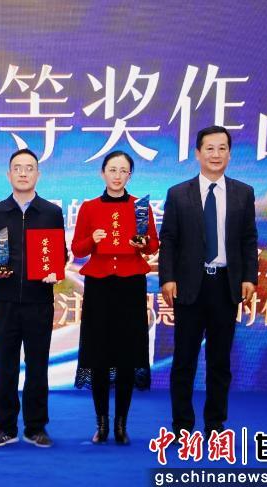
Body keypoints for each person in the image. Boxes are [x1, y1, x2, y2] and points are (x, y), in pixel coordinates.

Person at [159, 125, 258, 439]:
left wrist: (249, 277)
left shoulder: (243, 193)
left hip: (225, 286)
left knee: (219, 361)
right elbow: (169, 240)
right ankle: (182, 426)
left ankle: (215, 424)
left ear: (230, 154)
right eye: (210, 148)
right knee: (184, 360)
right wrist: (167, 278)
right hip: (189, 286)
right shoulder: (178, 193)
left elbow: (248, 239)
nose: (216, 155)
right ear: (198, 153)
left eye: (222, 148)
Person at [0, 148, 66, 448]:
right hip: (6, 302)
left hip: (40, 302)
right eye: (17, 168)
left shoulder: (51, 212)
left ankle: (36, 427)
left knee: (38, 366)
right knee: (6, 366)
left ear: (38, 174)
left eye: (29, 168)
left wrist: (55, 270)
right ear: (8, 174)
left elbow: (60, 252)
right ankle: (5, 427)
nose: (23, 173)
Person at [71, 150, 159, 445]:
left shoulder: (140, 206)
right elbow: (77, 249)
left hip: (131, 285)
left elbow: (152, 246)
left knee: (126, 356)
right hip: (99, 286)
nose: (117, 175)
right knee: (98, 355)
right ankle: (102, 423)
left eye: (123, 171)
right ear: (103, 173)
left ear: (130, 175)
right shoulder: (89, 207)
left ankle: (121, 424)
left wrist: (143, 242)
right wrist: (92, 240)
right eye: (112, 169)